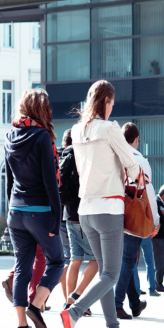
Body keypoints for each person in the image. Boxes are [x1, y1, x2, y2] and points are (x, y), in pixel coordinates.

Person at [59, 80, 140, 328]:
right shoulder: (110, 128)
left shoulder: (77, 129)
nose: (111, 109)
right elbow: (131, 162)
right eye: (112, 104)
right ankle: (74, 312)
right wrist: (136, 175)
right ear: (106, 101)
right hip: (108, 207)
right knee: (111, 274)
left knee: (105, 272)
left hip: (85, 211)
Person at [3, 89, 64, 328]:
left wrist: (12, 211)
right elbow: (51, 183)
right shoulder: (42, 137)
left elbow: (8, 181)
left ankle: (21, 326)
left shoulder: (9, 136)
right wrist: (56, 217)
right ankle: (37, 305)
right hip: (40, 210)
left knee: (22, 268)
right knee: (58, 261)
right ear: (43, 109)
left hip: (15, 210)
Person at [112, 123, 158, 320]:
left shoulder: (115, 157)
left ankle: (134, 303)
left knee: (126, 259)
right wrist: (155, 220)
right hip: (134, 215)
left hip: (114, 212)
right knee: (129, 259)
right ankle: (117, 303)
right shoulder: (139, 160)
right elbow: (148, 192)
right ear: (137, 139)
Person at [58, 129, 97, 316]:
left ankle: (68, 302)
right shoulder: (81, 156)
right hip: (83, 215)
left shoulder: (62, 155)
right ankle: (76, 297)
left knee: (75, 260)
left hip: (68, 216)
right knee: (97, 260)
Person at [153, 184, 164, 292]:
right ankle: (158, 283)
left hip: (160, 235)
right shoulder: (157, 202)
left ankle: (157, 282)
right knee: (159, 259)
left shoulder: (160, 202)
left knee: (159, 259)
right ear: (163, 194)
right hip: (157, 236)